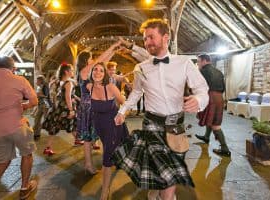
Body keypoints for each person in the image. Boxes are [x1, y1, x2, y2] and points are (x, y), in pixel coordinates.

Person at [113, 18, 209, 200]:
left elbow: (202, 89)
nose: (147, 42)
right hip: (152, 125)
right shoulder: (140, 67)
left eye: (151, 37)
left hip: (176, 127)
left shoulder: (184, 63)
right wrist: (122, 111)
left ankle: (161, 194)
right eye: (145, 38)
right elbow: (136, 92)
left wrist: (198, 100)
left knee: (168, 172)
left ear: (166, 37)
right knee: (164, 172)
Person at [76, 41, 121, 174]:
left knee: (95, 135)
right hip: (89, 107)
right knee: (88, 138)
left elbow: (102, 63)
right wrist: (112, 46)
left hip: (92, 105)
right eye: (90, 58)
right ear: (86, 61)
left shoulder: (87, 72)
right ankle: (88, 164)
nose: (92, 61)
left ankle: (103, 159)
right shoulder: (84, 71)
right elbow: (100, 60)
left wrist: (114, 51)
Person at [0, 56, 38, 199]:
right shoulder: (19, 80)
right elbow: (34, 100)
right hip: (17, 126)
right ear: (12, 68)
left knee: (2, 160)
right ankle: (24, 188)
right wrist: (24, 106)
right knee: (27, 155)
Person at [88, 63, 128, 200]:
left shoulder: (110, 87)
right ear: (91, 72)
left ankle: (105, 190)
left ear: (105, 74)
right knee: (108, 149)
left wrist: (122, 115)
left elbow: (125, 102)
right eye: (95, 69)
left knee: (106, 157)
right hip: (99, 125)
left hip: (113, 124)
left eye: (101, 70)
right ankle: (118, 159)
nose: (97, 72)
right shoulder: (88, 87)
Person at [195, 54, 231, 156]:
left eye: (198, 61)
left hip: (210, 97)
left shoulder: (202, 71)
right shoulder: (219, 72)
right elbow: (223, 88)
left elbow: (198, 87)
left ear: (204, 61)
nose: (198, 64)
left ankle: (225, 149)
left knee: (215, 124)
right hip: (219, 97)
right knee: (210, 119)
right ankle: (206, 137)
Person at [42, 63, 77, 156]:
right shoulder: (68, 83)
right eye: (72, 70)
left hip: (58, 107)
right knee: (71, 123)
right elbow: (68, 97)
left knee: (60, 125)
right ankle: (48, 147)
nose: (73, 72)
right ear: (66, 71)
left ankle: (48, 147)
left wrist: (78, 99)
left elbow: (59, 95)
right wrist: (71, 110)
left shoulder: (57, 81)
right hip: (65, 108)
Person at [33, 75, 51, 140]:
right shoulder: (39, 86)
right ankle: (36, 134)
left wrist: (38, 95)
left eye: (37, 80)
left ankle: (51, 133)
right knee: (37, 119)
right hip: (40, 105)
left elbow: (46, 95)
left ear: (40, 80)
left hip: (45, 105)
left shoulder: (45, 86)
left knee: (46, 120)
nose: (36, 81)